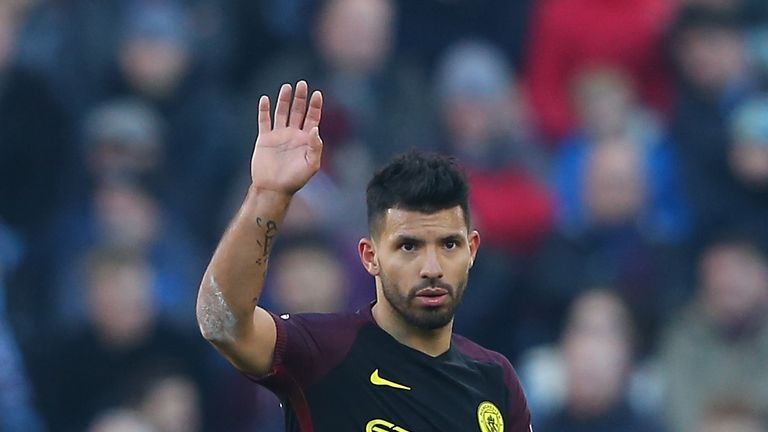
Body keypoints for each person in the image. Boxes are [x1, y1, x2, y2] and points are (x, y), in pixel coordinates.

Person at [196, 81, 532, 431]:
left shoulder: (496, 381)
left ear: (472, 250)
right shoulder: (321, 353)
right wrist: (268, 194)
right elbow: (221, 320)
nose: (432, 268)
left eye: (449, 245)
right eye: (408, 246)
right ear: (370, 256)